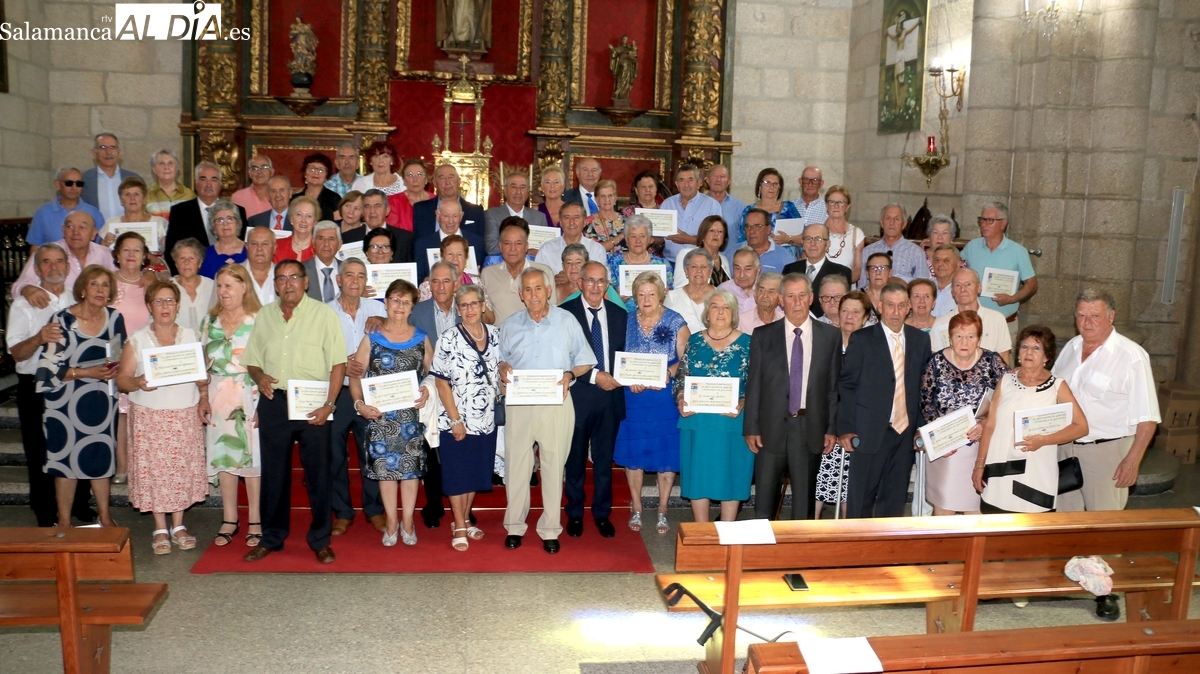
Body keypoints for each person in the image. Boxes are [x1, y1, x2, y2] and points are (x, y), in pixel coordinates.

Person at [241, 259, 347, 564]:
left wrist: (329, 404)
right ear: (275, 285)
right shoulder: (265, 315)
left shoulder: (323, 315)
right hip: (274, 402)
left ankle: (320, 539)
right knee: (274, 475)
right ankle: (272, 537)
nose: (288, 284)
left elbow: (338, 363)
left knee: (319, 474)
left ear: (306, 282)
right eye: (282, 279)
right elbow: (252, 359)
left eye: (294, 278)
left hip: (314, 404)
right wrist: (259, 376)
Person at [497, 267, 597, 554]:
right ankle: (515, 526)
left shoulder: (567, 321)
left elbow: (585, 360)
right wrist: (503, 368)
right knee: (517, 467)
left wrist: (569, 375)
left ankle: (550, 528)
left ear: (548, 290)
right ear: (520, 295)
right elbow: (501, 361)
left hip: (556, 403)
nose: (533, 295)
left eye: (538, 288)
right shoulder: (510, 324)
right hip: (520, 404)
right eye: (527, 290)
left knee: (554, 467)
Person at [6, 244, 96, 527]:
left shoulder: (79, 301)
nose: (54, 267)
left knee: (76, 443)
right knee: (40, 450)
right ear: (36, 269)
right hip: (36, 386)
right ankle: (44, 509)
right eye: (46, 262)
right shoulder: (23, 304)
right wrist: (39, 338)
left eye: (59, 262)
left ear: (68, 268)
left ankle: (80, 504)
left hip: (73, 382)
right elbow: (16, 354)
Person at [117, 281, 208, 554]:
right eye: (159, 301)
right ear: (149, 306)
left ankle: (178, 526)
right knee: (155, 471)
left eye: (170, 301)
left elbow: (203, 377)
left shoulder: (191, 336)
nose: (165, 306)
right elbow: (122, 381)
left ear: (178, 305)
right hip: (150, 417)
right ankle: (159, 528)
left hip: (183, 414)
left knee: (180, 470)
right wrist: (138, 382)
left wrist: (204, 390)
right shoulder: (138, 339)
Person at [744, 274, 842, 520]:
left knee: (804, 504)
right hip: (770, 429)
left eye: (802, 295)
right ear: (780, 300)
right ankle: (762, 553)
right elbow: (754, 384)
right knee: (764, 502)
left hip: (810, 428)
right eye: (790, 296)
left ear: (810, 298)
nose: (796, 302)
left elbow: (832, 388)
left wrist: (830, 429)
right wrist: (751, 428)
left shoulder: (829, 336)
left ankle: (801, 554)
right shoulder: (762, 335)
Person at [1053, 289, 1160, 513]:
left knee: (1103, 530)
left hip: (1105, 454)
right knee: (1063, 524)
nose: (1087, 322)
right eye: (1081, 315)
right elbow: (1050, 391)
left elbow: (1148, 419)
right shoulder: (1071, 348)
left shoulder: (1131, 356)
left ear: (1111, 316)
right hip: (1064, 449)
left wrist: (1132, 461)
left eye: (1095, 316)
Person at [37, 264, 126, 529]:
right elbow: (46, 370)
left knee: (100, 458)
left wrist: (117, 370)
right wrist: (86, 372)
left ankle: (105, 517)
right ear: (83, 289)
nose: (100, 290)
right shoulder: (62, 320)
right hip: (64, 403)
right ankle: (64, 522)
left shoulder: (114, 318)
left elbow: (121, 358)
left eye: (105, 285)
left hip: (101, 401)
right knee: (66, 462)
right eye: (94, 284)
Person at [349, 279, 433, 547]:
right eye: (395, 299)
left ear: (412, 307)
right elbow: (355, 375)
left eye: (406, 301)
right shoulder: (371, 337)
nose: (400, 305)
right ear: (385, 302)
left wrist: (427, 391)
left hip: (411, 417)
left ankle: (408, 521)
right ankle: (392, 521)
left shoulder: (421, 337)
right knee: (386, 472)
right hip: (379, 417)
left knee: (410, 471)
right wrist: (359, 404)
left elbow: (433, 374)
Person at [837, 282, 932, 518]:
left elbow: (922, 388)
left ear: (909, 307)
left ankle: (888, 551)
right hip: (868, 431)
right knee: (861, 499)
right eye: (890, 305)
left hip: (904, 432)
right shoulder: (862, 339)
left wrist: (920, 428)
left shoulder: (920, 340)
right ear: (880, 307)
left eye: (901, 305)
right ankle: (857, 551)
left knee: (894, 498)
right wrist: (846, 428)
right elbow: (847, 386)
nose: (896, 311)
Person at [976, 326, 1088, 514]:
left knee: (1032, 537)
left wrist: (1044, 440)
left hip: (1035, 474)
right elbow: (990, 425)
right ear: (1018, 352)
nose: (1029, 352)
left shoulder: (1057, 386)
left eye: (1036, 348)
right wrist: (979, 465)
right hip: (998, 473)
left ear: (1046, 357)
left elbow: (1081, 427)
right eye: (1024, 346)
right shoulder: (1006, 381)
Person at [560, 262, 627, 539]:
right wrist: (594, 376)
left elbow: (626, 355)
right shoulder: (564, 314)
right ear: (580, 283)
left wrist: (624, 376)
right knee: (574, 461)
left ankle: (601, 513)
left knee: (603, 461)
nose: (596, 287)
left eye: (601, 282)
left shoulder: (619, 314)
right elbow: (564, 359)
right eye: (590, 281)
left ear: (607, 284)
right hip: (578, 396)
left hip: (610, 397)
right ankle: (574, 513)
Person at [199, 264, 264, 547]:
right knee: (224, 455)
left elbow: (268, 362)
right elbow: (200, 363)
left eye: (229, 286)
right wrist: (202, 395)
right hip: (217, 396)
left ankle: (255, 519)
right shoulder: (209, 321)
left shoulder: (259, 319)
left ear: (244, 287)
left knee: (252, 459)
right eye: (220, 286)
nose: (223, 291)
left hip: (250, 395)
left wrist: (266, 402)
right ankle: (229, 518)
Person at [431, 284, 500, 551]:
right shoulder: (448, 338)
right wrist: (456, 419)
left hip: (486, 420)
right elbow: (441, 383)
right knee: (457, 474)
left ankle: (465, 517)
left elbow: (503, 368)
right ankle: (459, 523)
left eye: (474, 304)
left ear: (483, 305)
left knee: (473, 474)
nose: (469, 309)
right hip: (456, 420)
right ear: (457, 310)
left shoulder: (496, 335)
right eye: (464, 305)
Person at [919, 310, 1008, 516]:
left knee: (974, 509)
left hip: (981, 445)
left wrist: (986, 423)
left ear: (978, 339)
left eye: (970, 335)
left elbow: (1009, 397)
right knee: (944, 508)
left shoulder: (992, 361)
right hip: (946, 448)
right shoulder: (935, 362)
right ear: (950, 338)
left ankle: (971, 549)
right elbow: (926, 402)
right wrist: (941, 439)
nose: (964, 341)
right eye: (958, 336)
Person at [677, 289, 753, 523]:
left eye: (726, 307)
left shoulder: (748, 343)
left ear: (734, 313)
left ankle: (728, 531)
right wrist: (681, 397)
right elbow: (681, 376)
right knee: (698, 477)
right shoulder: (695, 340)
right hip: (698, 420)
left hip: (732, 420)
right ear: (707, 313)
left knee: (732, 476)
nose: (720, 311)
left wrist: (742, 402)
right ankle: (702, 532)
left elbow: (758, 383)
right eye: (715, 306)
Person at [327, 259, 387, 536]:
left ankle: (374, 509)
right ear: (338, 280)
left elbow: (397, 336)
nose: (354, 280)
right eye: (349, 275)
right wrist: (341, 362)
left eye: (360, 276)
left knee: (372, 452)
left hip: (370, 390)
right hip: (337, 391)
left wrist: (385, 321)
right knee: (335, 453)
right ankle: (342, 512)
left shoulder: (377, 309)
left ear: (366, 282)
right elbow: (316, 352)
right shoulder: (325, 312)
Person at [410, 260, 464, 528]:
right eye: (435, 281)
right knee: (431, 450)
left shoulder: (467, 308)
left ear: (456, 284)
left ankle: (461, 507)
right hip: (429, 391)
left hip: (462, 391)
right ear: (428, 285)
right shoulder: (417, 312)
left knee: (458, 449)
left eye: (446, 281)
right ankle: (434, 503)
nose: (440, 286)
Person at [813, 291, 871, 519]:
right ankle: (811, 526)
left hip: (857, 423)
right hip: (828, 420)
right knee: (819, 477)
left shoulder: (873, 347)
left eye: (856, 311)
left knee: (850, 485)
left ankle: (847, 531)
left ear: (866, 317)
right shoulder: (827, 341)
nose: (849, 316)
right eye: (845, 310)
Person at [109, 232, 157, 484]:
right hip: (115, 356)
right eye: (126, 249)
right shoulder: (107, 282)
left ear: (144, 256)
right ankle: (122, 466)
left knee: (143, 413)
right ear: (116, 254)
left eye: (137, 250)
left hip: (145, 354)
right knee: (121, 414)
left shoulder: (152, 282)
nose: (130, 255)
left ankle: (144, 468)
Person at [961, 202, 1038, 344]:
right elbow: (955, 267)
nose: (984, 224)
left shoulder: (1017, 251)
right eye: (982, 220)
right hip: (972, 323)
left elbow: (1032, 284)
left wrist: (1013, 298)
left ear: (1003, 224)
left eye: (990, 220)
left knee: (1004, 365)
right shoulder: (972, 247)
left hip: (1004, 324)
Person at [165, 163, 247, 273]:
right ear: (196, 183)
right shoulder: (180, 212)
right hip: (192, 278)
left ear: (220, 184)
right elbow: (171, 251)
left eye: (214, 179)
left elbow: (245, 245)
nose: (208, 184)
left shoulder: (237, 211)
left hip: (233, 274)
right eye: (203, 179)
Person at [932, 268, 1013, 364]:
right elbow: (935, 362)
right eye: (958, 285)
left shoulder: (996, 319)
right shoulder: (940, 323)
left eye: (968, 284)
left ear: (979, 288)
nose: (963, 289)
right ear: (952, 291)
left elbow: (1004, 359)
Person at [481, 218, 554, 324]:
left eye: (518, 243)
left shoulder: (544, 272)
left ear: (526, 247)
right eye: (507, 243)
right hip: (499, 338)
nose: (513, 249)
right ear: (500, 246)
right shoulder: (487, 274)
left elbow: (552, 311)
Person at [782, 224, 853, 319]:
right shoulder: (790, 269)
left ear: (827, 244)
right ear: (802, 243)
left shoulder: (841, 272)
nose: (813, 244)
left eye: (818, 239)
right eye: (808, 239)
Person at [26, 167, 104, 250]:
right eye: (69, 183)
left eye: (79, 184)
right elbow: (35, 248)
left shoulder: (93, 213)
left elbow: (101, 246)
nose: (74, 188)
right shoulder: (43, 213)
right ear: (58, 184)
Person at [414, 198, 485, 281]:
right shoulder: (423, 244)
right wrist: (427, 279)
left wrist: (480, 276)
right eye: (446, 216)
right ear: (437, 215)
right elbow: (417, 277)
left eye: (455, 216)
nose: (451, 221)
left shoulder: (477, 242)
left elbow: (484, 272)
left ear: (461, 216)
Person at [662, 164, 722, 261]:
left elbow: (716, 238)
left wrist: (689, 239)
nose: (686, 185)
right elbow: (660, 236)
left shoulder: (712, 205)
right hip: (670, 262)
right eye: (682, 180)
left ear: (699, 183)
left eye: (690, 180)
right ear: (677, 184)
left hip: (700, 264)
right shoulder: (667, 204)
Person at [99, 177, 168, 262]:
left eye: (136, 194)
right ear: (121, 200)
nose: (132, 198)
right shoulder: (110, 224)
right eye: (127, 194)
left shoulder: (160, 223)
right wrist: (106, 245)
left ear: (144, 199)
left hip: (153, 271)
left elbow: (169, 257)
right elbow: (101, 257)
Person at [607, 215, 672, 304]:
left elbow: (671, 296)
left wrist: (666, 296)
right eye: (633, 236)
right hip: (622, 314)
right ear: (626, 239)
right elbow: (605, 296)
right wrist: (617, 299)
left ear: (649, 239)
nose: (638, 240)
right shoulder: (612, 262)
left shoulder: (663, 263)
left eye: (642, 236)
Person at [411, 164, 485, 241]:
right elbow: (417, 243)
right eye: (442, 178)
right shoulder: (421, 209)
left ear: (459, 181)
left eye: (451, 177)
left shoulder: (476, 212)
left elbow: (479, 246)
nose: (447, 182)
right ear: (435, 183)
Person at [485, 171, 548, 258]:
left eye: (522, 187)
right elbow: (491, 247)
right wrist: (525, 251)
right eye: (513, 187)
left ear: (528, 191)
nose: (518, 192)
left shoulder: (539, 217)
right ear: (505, 190)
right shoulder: (492, 215)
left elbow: (546, 250)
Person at [861, 204, 929, 285]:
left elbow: (923, 286)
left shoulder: (917, 252)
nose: (891, 222)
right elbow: (862, 286)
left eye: (897, 219)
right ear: (882, 223)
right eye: (888, 218)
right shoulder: (867, 252)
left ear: (904, 224)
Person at [82, 133, 142, 223]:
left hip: (128, 234)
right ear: (94, 153)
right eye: (103, 147)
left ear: (119, 152)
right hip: (98, 235)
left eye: (112, 147)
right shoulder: (84, 180)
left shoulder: (134, 178)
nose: (108, 152)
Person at [535, 202, 606, 275]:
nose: (572, 222)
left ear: (584, 222)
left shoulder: (597, 250)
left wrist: (572, 279)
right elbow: (537, 279)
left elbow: (602, 281)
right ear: (561, 222)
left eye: (576, 217)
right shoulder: (547, 249)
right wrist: (554, 281)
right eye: (567, 217)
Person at [741, 168, 800, 250]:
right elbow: (742, 240)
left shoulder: (789, 208)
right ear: (760, 186)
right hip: (757, 256)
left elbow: (804, 237)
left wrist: (788, 239)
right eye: (767, 183)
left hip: (787, 257)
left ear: (779, 188)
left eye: (775, 184)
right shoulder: (749, 210)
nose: (771, 187)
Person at [667, 248, 718, 333]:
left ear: (710, 271)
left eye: (704, 267)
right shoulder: (672, 297)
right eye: (694, 267)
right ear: (686, 271)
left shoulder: (721, 296)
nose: (699, 271)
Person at [357, 190, 416, 262]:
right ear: (362, 211)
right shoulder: (349, 238)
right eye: (367, 206)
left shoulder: (405, 239)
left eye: (377, 206)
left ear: (387, 210)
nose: (372, 211)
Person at [821, 186, 864, 284]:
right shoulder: (816, 231)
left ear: (847, 206)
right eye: (832, 202)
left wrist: (841, 287)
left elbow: (858, 269)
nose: (836, 206)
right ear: (826, 205)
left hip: (846, 288)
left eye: (840, 202)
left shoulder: (857, 234)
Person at [673, 215, 731, 288]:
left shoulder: (724, 260)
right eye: (711, 230)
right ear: (703, 235)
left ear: (724, 238)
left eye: (720, 231)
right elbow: (679, 288)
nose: (716, 234)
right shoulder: (687, 254)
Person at [171, 238, 214, 331]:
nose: (186, 262)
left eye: (191, 258)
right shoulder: (166, 288)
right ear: (176, 263)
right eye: (182, 258)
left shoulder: (212, 287)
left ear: (200, 263)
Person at [198, 200, 247, 279]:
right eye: (220, 220)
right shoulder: (205, 255)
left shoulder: (250, 250)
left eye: (229, 219)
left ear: (237, 223)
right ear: (214, 227)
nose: (225, 223)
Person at [144, 148, 195, 223]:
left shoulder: (189, 195)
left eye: (170, 163)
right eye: (161, 163)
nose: (166, 167)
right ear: (154, 169)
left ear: (176, 168)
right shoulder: (146, 196)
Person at [742, 208, 797, 274]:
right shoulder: (731, 253)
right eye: (748, 226)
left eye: (757, 226)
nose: (751, 231)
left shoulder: (784, 256)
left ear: (768, 229)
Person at [292, 153, 341, 224]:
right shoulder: (295, 199)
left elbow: (338, 227)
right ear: (305, 173)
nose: (316, 173)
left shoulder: (334, 199)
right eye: (312, 169)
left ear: (327, 176)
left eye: (321, 170)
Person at [705, 165, 746, 245]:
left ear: (728, 182)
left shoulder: (738, 205)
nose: (718, 180)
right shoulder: (700, 203)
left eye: (723, 176)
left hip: (731, 255)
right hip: (705, 255)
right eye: (715, 176)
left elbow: (745, 234)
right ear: (707, 180)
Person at [583, 179, 626, 253]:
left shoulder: (627, 221)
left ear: (615, 198)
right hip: (599, 263)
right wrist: (620, 237)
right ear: (597, 200)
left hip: (624, 263)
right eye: (603, 196)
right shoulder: (588, 223)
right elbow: (592, 250)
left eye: (610, 196)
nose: (607, 199)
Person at [304, 221, 342, 303]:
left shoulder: (348, 269)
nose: (326, 244)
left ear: (339, 244)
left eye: (331, 239)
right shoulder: (301, 270)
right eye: (321, 238)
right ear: (313, 242)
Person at [273, 195, 318, 263]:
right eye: (299, 214)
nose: (303, 220)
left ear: (315, 222)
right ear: (291, 218)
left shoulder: (320, 247)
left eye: (309, 216)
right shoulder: (277, 246)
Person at [392, 158, 433, 233]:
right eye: (410, 175)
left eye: (419, 174)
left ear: (426, 179)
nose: (415, 179)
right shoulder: (393, 202)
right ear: (404, 181)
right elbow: (393, 232)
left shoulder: (436, 200)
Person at [717, 248, 761, 314]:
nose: (742, 275)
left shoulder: (766, 291)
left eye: (748, 269)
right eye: (737, 269)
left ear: (758, 270)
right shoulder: (723, 290)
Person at [243, 227, 278, 306]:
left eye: (265, 244)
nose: (259, 249)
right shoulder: (230, 275)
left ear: (274, 248)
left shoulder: (285, 277)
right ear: (247, 247)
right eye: (254, 244)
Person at [931, 243, 961, 317]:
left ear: (958, 264)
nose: (940, 264)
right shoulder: (925, 288)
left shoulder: (963, 291)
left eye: (946, 260)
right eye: (937, 260)